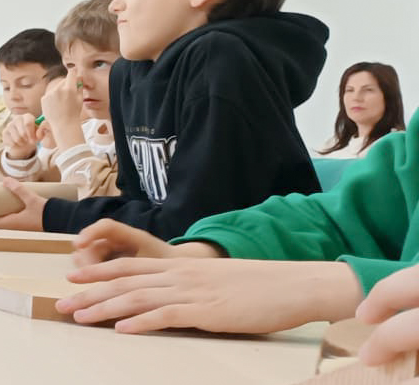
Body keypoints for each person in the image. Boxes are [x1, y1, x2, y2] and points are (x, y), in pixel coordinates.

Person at [0, 0, 326, 240]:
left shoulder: (221, 58)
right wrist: (43, 209)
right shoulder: (130, 73)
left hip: (260, 274)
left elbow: (195, 225)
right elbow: (139, 203)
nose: (117, 4)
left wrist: (52, 215)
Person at [55, 121, 418, 336]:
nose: (118, 5)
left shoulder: (225, 61)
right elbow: (348, 215)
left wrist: (329, 287)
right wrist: (205, 253)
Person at [37, 0, 122, 195]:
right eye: (71, 67)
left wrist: (66, 127)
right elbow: (45, 185)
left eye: (99, 63)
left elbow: (102, 206)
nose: (80, 82)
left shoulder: (143, 139)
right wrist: (18, 155)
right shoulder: (88, 130)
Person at [0, 28, 65, 181]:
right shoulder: (17, 125)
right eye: (6, 87)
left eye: (25, 84)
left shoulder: (71, 130)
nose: (13, 96)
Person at [320, 62, 404, 158]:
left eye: (368, 90)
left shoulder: (399, 145)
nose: (356, 98)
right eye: (350, 90)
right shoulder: (330, 146)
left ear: (389, 97)